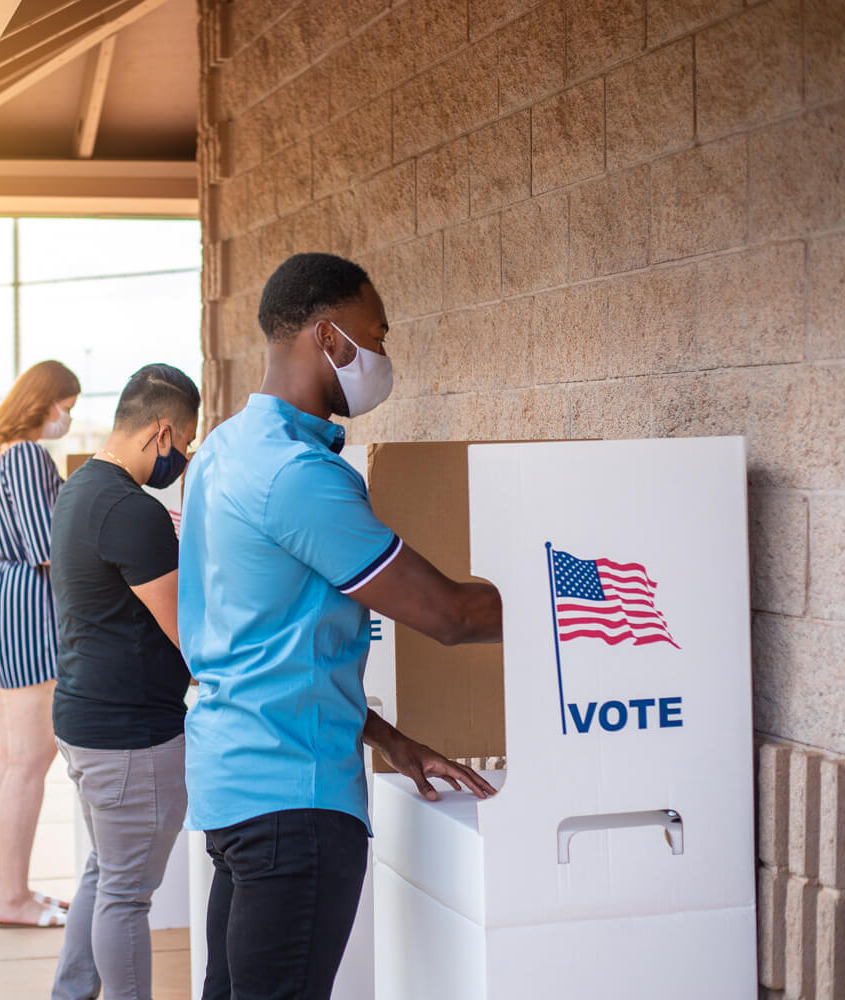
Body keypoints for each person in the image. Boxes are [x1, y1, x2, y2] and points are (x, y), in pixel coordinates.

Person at [179, 252, 504, 1000]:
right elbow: (449, 615)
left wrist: (391, 739)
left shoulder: (225, 451)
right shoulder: (298, 477)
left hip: (235, 789)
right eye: (376, 335)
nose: (384, 356)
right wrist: (567, 611)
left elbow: (271, 647)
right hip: (293, 807)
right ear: (329, 337)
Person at [48, 364, 200, 1000]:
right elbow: (189, 634)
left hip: (85, 721)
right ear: (161, 430)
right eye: (185, 443)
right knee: (127, 895)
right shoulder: (132, 511)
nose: (184, 457)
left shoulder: (79, 489)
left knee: (105, 873)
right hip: (131, 737)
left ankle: (72, 992)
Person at [0, 359, 82, 930]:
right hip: (31, 605)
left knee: (11, 757)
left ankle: (6, 888)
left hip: (3, 600)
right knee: (31, 760)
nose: (68, 418)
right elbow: (46, 546)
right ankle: (13, 898)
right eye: (68, 406)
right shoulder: (29, 456)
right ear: (45, 402)